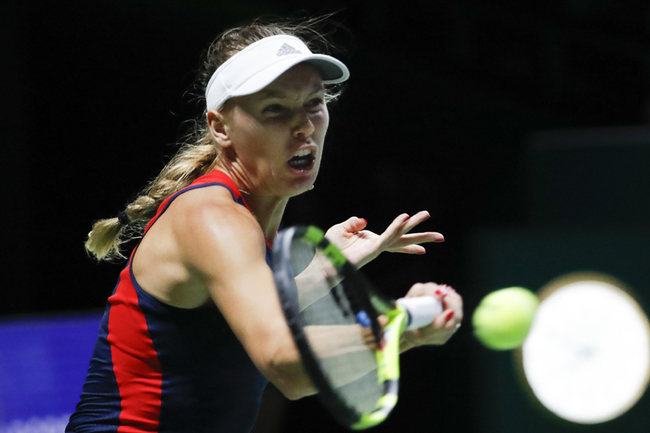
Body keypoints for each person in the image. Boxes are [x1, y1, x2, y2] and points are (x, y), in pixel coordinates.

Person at [66, 16, 463, 433]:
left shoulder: (245, 219)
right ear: (221, 127)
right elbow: (284, 364)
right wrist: (404, 325)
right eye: (276, 109)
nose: (305, 126)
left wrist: (325, 269)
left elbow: (225, 321)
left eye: (314, 102)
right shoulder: (213, 218)